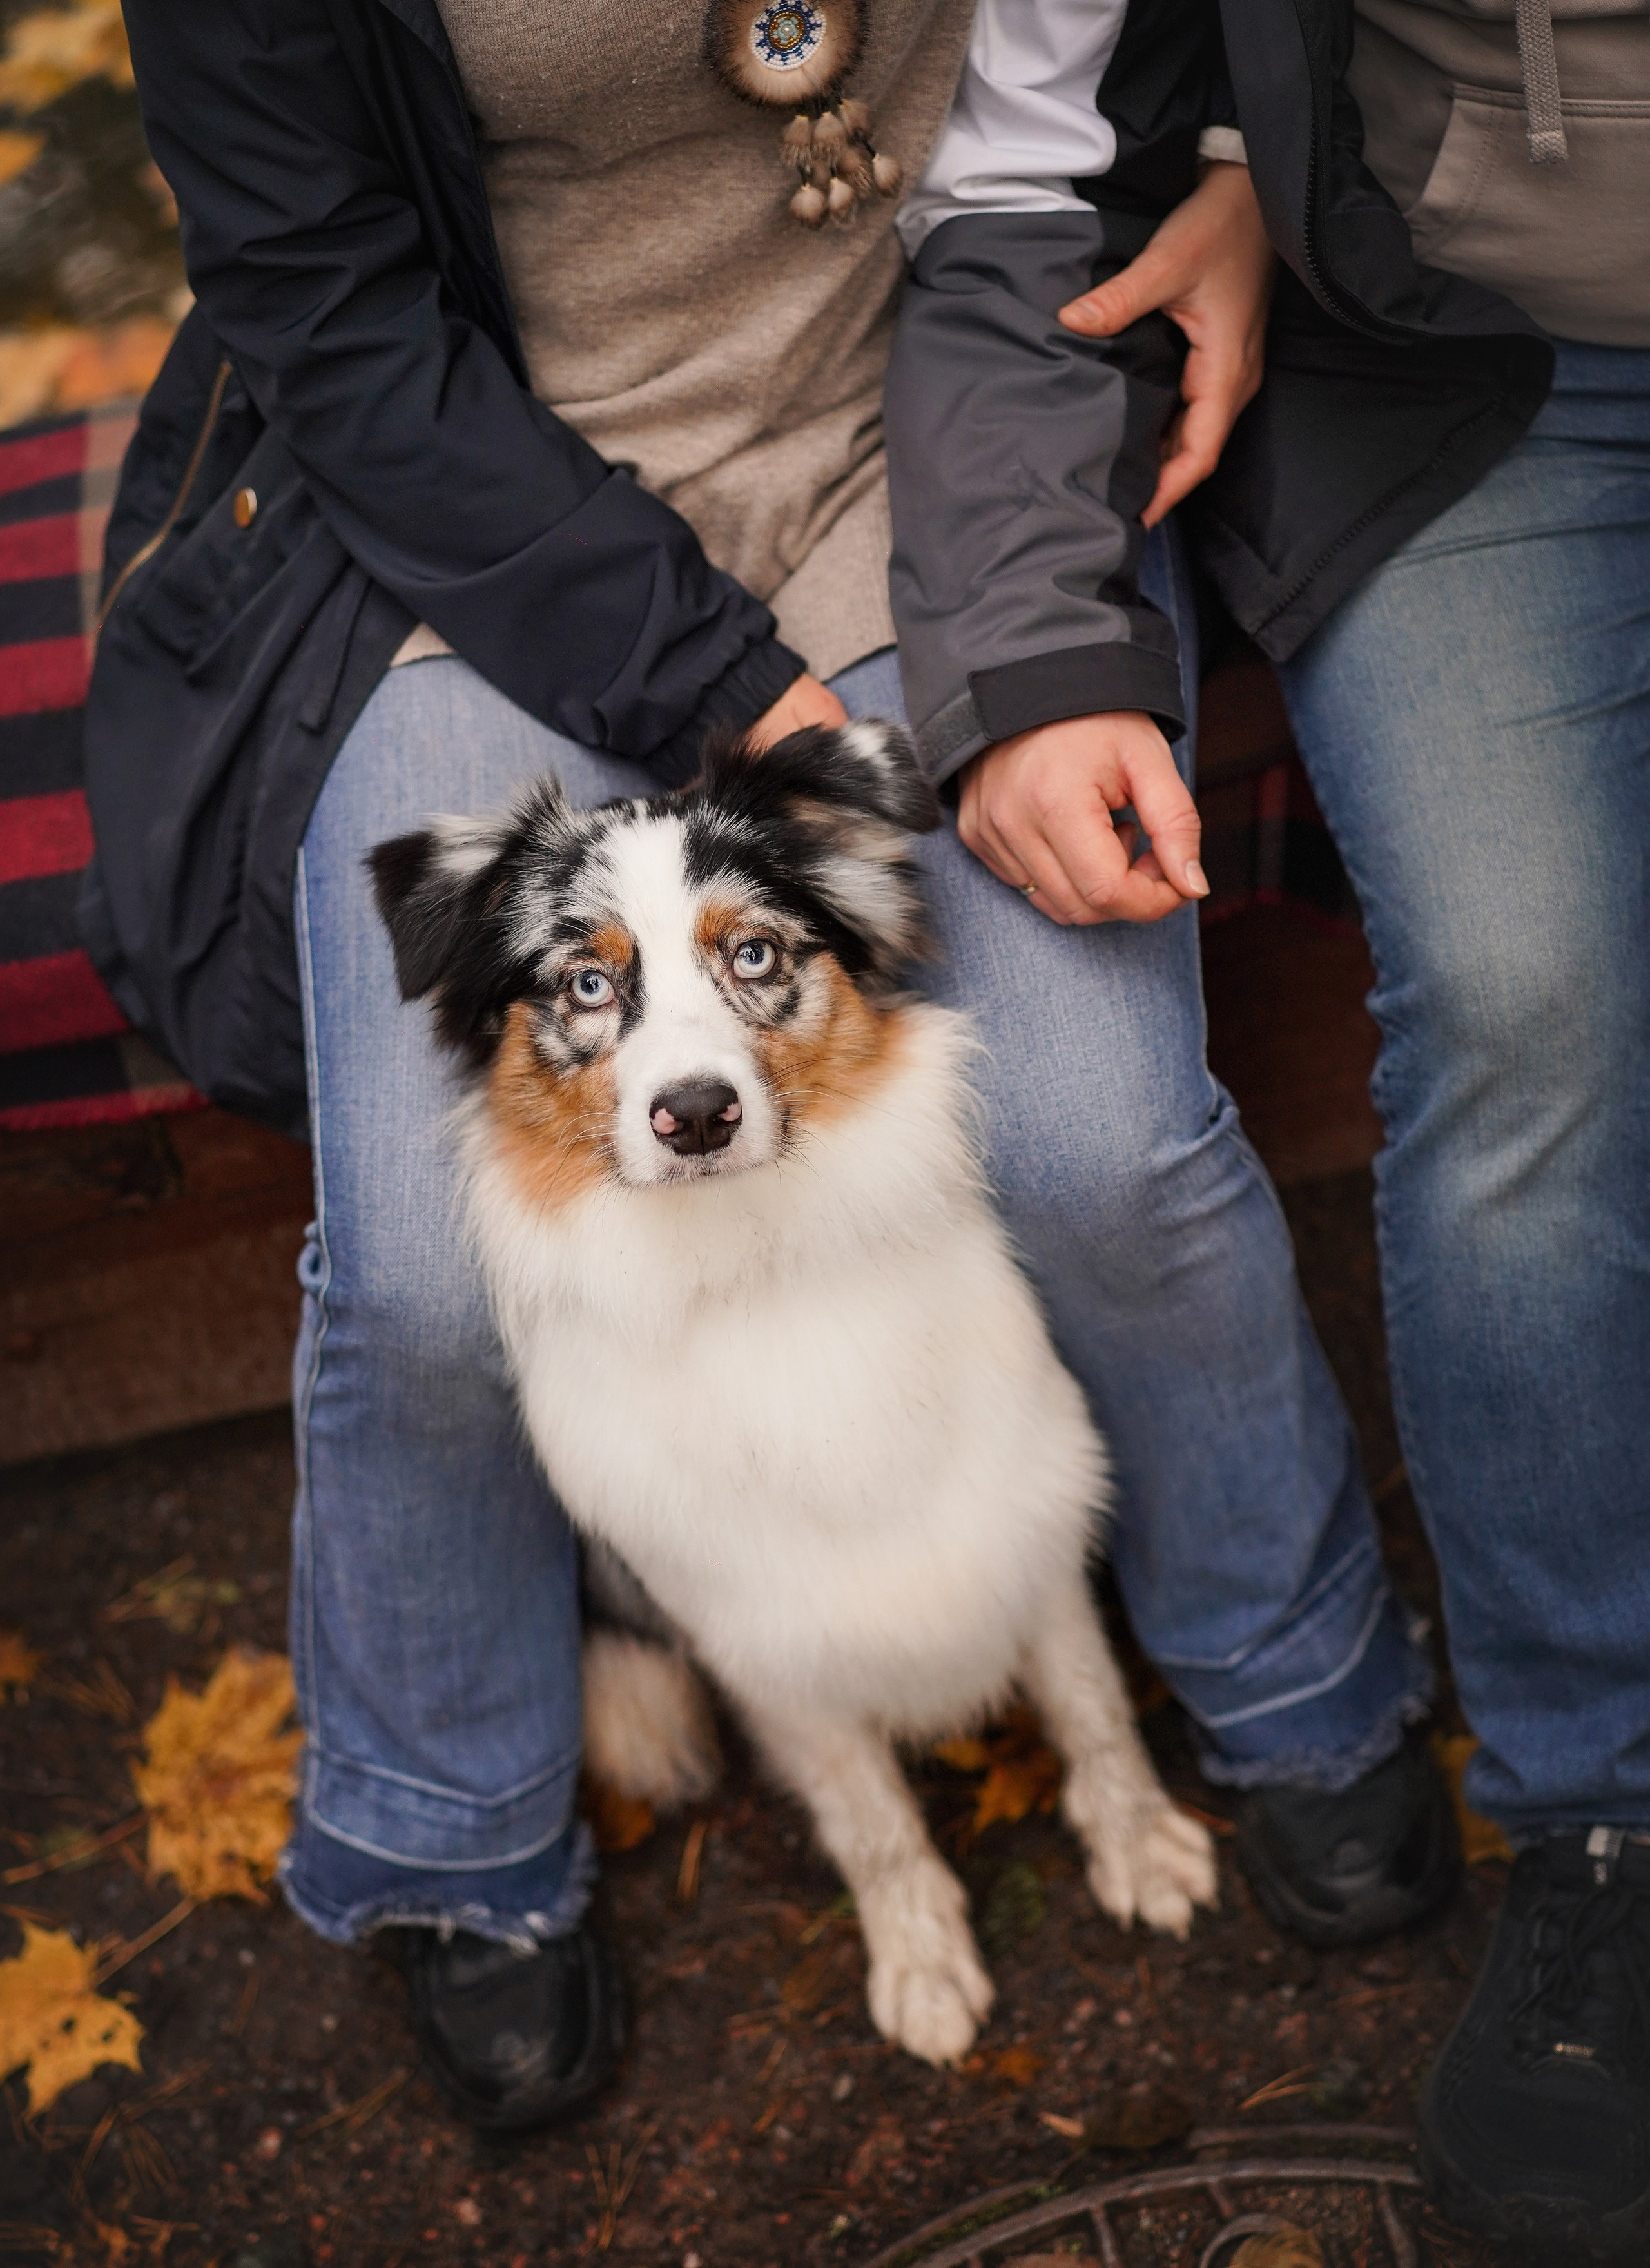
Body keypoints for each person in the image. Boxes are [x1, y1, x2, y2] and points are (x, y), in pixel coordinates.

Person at [75, 0, 1640, 2251]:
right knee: (424, 1279)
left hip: (927, 454)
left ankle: (1297, 1680)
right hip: (461, 539)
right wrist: (728, 699)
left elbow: (1166, 60)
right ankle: (454, 1829)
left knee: (1100, 1137)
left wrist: (1223, 161)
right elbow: (339, 341)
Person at [885, 0, 1649, 2257]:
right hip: (1447, 362)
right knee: (1525, 1001)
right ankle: (1599, 1816)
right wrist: (1034, 655)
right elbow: (1029, 180)